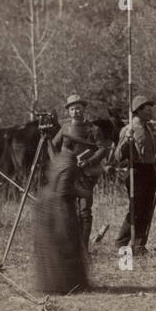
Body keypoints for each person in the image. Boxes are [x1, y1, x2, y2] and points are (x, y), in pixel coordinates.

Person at [34, 122, 98, 294]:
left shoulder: (60, 157)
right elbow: (63, 191)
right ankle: (66, 286)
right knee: (66, 244)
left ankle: (63, 285)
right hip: (59, 208)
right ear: (75, 144)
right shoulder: (69, 163)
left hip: (48, 205)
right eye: (82, 145)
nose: (83, 148)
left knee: (61, 247)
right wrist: (83, 193)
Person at [62, 93, 111, 251]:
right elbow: (53, 147)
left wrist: (89, 162)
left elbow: (103, 149)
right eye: (72, 109)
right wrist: (62, 162)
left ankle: (84, 249)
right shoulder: (65, 128)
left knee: (84, 210)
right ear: (68, 112)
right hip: (68, 175)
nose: (76, 112)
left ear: (84, 109)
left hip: (86, 175)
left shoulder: (93, 129)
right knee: (68, 211)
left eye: (79, 108)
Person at [114, 95, 156, 254]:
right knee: (136, 209)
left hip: (150, 171)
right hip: (136, 171)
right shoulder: (128, 130)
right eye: (147, 109)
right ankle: (121, 242)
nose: (151, 112)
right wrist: (127, 141)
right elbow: (118, 156)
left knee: (146, 209)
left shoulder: (148, 128)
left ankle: (139, 244)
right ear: (138, 111)